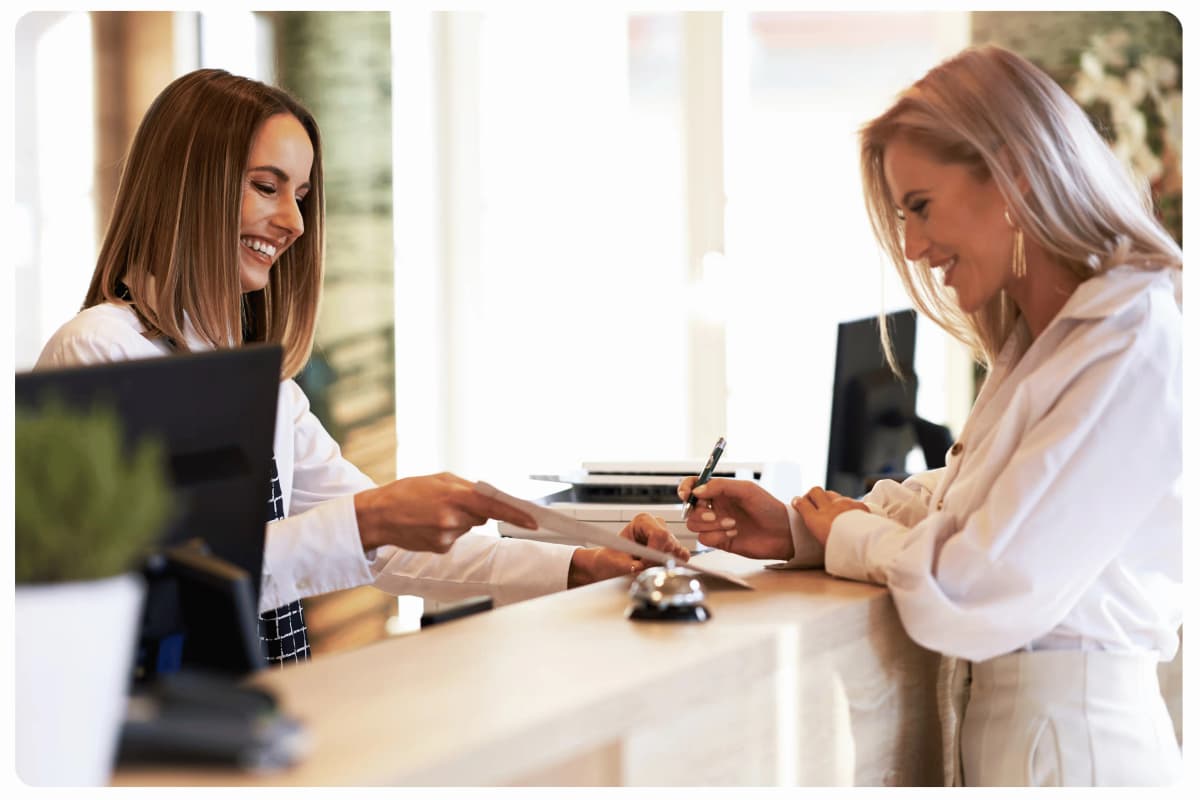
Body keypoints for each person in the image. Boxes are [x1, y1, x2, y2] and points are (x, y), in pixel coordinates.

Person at [36, 68, 690, 668]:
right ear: (190, 186)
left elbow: (386, 549)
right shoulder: (98, 352)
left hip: (255, 719)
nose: (292, 221)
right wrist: (368, 520)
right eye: (267, 186)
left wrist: (587, 564)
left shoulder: (264, 389)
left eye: (301, 195)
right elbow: (148, 588)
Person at [679, 45, 1182, 787]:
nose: (913, 247)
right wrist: (801, 526)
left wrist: (848, 533)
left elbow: (973, 585)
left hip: (1079, 759)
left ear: (1012, 173)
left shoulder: (1128, 339)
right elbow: (970, 503)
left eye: (920, 206)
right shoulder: (1048, 341)